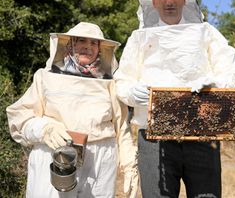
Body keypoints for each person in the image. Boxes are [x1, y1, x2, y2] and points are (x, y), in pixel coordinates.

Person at [114, 0, 235, 197]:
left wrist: (215, 86)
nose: (169, 1)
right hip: (154, 136)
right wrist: (134, 94)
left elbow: (231, 70)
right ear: (153, 1)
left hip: (202, 132)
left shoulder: (207, 32)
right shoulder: (138, 37)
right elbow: (122, 82)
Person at [7, 22, 138, 198]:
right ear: (70, 44)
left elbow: (122, 127)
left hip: (100, 161)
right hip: (54, 155)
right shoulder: (45, 77)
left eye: (94, 43)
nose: (87, 47)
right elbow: (19, 117)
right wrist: (44, 129)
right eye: (81, 41)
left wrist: (129, 163)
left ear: (100, 49)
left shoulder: (110, 84)